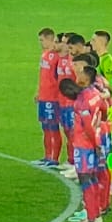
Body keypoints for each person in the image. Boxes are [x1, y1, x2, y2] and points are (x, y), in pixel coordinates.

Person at [61, 70, 110, 222]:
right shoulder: (95, 93)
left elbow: (87, 126)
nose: (77, 75)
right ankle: (96, 215)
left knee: (86, 180)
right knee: (93, 179)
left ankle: (90, 220)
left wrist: (94, 143)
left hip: (84, 146)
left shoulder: (82, 101)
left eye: (81, 74)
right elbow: (104, 109)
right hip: (93, 142)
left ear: (85, 79)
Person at [34, 27, 73, 167]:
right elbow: (43, 76)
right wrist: (39, 92)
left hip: (53, 98)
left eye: (42, 40)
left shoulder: (57, 57)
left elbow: (59, 78)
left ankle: (54, 158)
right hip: (44, 97)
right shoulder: (45, 54)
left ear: (50, 39)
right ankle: (47, 156)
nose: (41, 43)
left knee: (52, 127)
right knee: (45, 127)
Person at [94, 28, 112, 197]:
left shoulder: (107, 61)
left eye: (94, 40)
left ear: (102, 43)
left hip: (108, 110)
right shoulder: (100, 59)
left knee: (109, 146)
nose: (92, 42)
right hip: (102, 107)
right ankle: (104, 179)